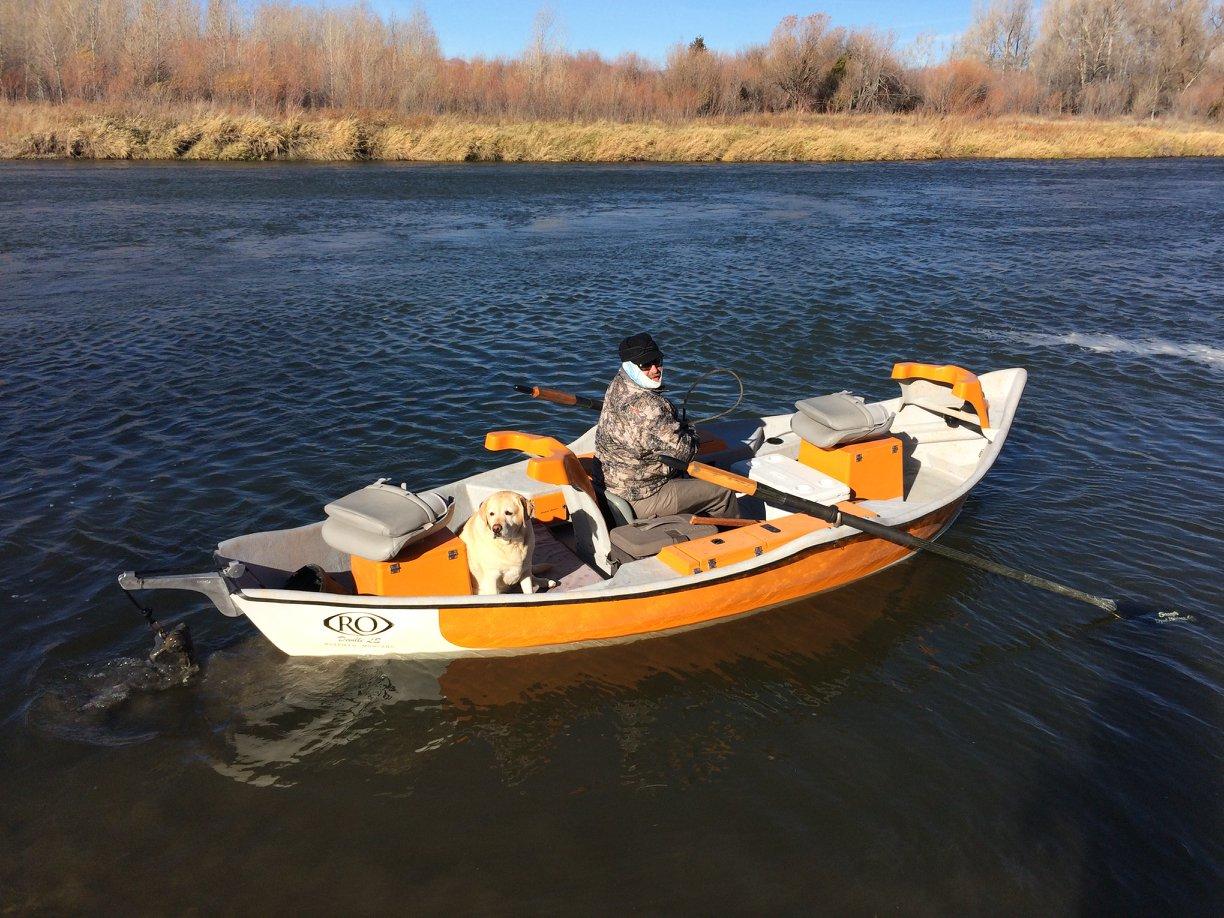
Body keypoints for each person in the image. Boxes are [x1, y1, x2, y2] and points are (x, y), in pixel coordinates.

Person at [595, 332, 740, 521]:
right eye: (645, 365)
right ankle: (735, 541)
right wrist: (689, 433)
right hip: (640, 496)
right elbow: (685, 451)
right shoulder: (650, 407)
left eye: (657, 360)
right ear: (629, 366)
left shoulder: (617, 384)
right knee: (722, 492)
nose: (655, 369)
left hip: (610, 485)